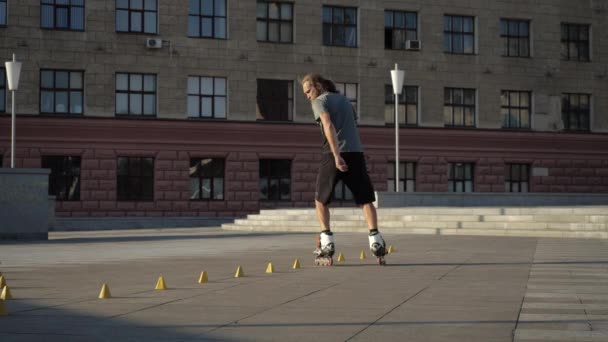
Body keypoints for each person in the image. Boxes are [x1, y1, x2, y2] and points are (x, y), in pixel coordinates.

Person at [301, 73, 386, 262]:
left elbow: (328, 124)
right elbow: (352, 125)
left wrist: (337, 156)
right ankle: (376, 241)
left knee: (320, 200)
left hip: (333, 154)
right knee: (365, 199)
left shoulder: (319, 101)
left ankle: (327, 242)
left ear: (320, 86)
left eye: (309, 91)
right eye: (305, 93)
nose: (307, 96)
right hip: (356, 152)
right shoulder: (346, 101)